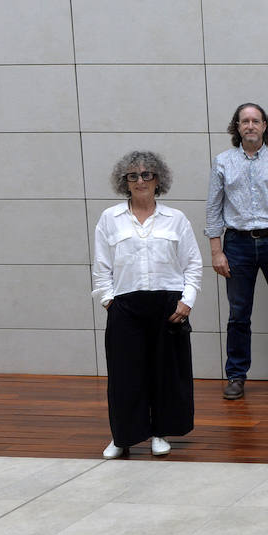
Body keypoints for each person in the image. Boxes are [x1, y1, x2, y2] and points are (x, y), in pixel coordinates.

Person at [91, 151, 202, 459]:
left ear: (158, 180)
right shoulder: (109, 219)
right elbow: (101, 264)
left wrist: (187, 301)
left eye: (146, 175)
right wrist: (108, 299)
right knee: (125, 375)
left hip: (168, 305)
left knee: (165, 373)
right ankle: (122, 436)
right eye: (133, 176)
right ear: (124, 182)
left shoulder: (176, 219)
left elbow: (193, 264)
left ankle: (159, 433)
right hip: (125, 305)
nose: (140, 181)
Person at [205, 102, 268, 400]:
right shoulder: (223, 161)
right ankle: (236, 376)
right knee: (239, 315)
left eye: (256, 121)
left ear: (265, 126)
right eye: (244, 121)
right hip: (236, 244)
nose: (250, 125)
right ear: (237, 127)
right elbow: (213, 208)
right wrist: (216, 251)